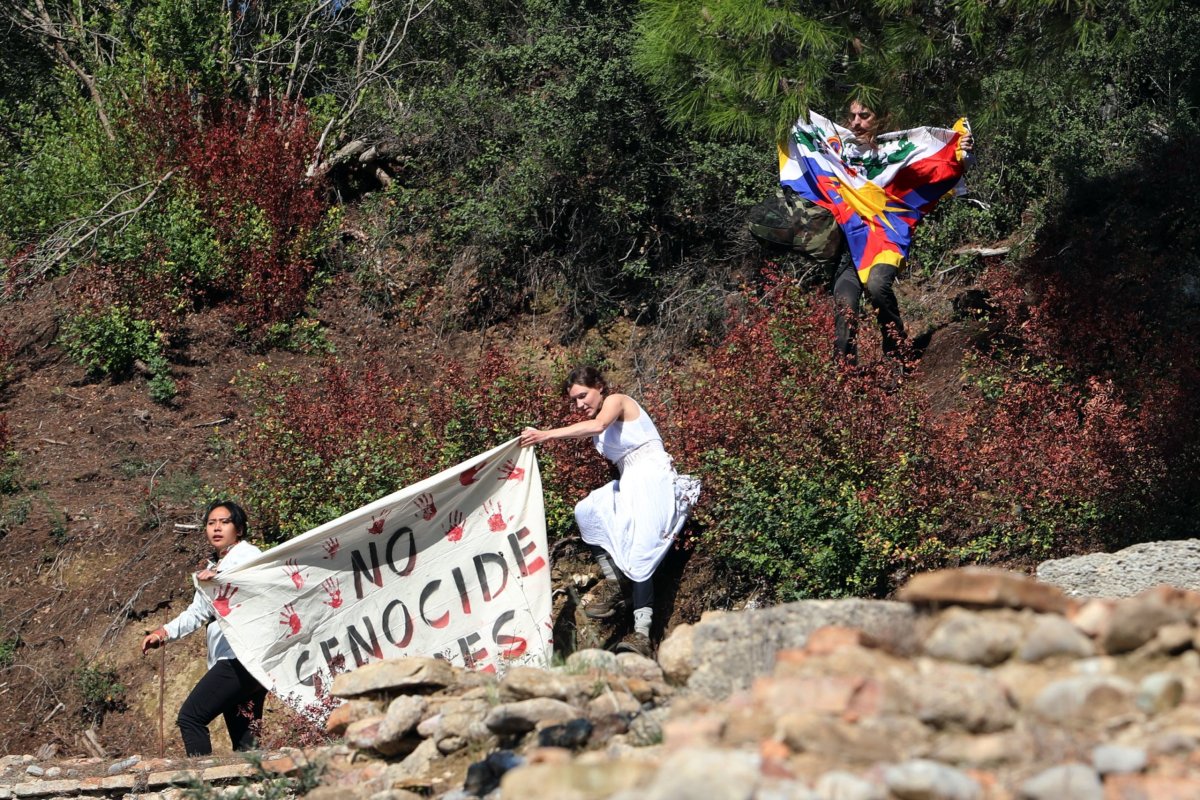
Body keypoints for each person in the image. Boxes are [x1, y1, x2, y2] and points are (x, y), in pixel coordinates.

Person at [519, 366, 700, 658]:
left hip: (653, 478)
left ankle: (642, 634)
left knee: (640, 551)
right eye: (574, 401)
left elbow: (598, 425)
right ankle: (617, 583)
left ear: (599, 387)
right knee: (587, 511)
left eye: (582, 396)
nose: (579, 405)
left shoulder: (617, 400)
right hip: (629, 481)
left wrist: (545, 435)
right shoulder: (597, 429)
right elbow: (597, 433)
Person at [830, 99, 975, 365]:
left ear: (881, 118)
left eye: (864, 115)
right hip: (851, 248)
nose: (856, 122)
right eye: (852, 116)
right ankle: (844, 384)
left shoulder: (898, 149)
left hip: (887, 240)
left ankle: (897, 358)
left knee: (876, 286)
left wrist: (959, 151)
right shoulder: (839, 151)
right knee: (845, 305)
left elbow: (938, 165)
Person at [141, 500, 266, 756]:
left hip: (239, 659)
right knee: (246, 747)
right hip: (243, 662)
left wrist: (220, 580)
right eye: (211, 523)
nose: (216, 528)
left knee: (191, 718)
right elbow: (198, 613)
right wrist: (163, 633)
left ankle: (202, 788)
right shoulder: (214, 567)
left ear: (239, 529)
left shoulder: (250, 557)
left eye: (224, 522)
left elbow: (259, 586)